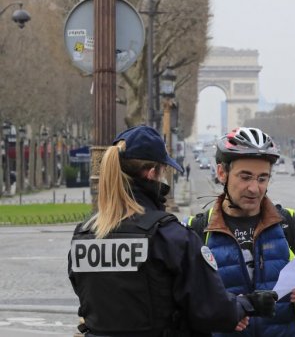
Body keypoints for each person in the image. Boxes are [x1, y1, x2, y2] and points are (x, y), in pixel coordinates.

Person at [67, 125, 277, 337]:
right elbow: (211, 310)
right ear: (152, 174)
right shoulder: (170, 237)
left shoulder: (83, 235)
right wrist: (247, 304)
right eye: (164, 172)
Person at [188, 127, 295, 337]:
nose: (254, 188)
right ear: (221, 173)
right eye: (245, 177)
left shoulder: (289, 224)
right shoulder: (196, 231)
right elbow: (184, 307)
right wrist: (219, 315)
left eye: (262, 178)